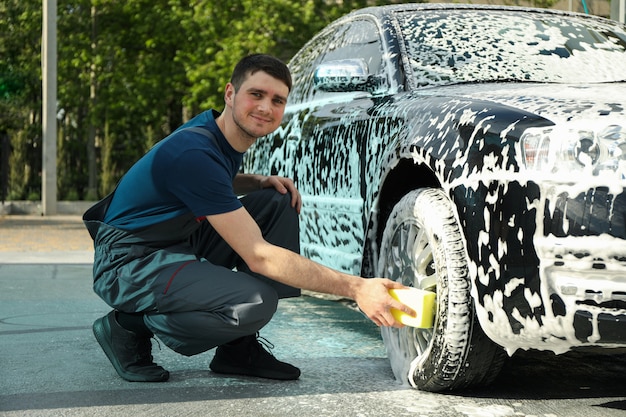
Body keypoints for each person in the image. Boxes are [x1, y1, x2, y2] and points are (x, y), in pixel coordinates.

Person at [83, 54, 413, 383]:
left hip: (175, 239)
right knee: (254, 302)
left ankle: (238, 350)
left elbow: (207, 181)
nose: (266, 107)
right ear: (230, 94)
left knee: (275, 202)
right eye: (256, 94)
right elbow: (258, 255)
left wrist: (255, 182)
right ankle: (127, 325)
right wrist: (357, 287)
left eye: (277, 100)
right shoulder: (194, 152)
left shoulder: (216, 135)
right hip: (130, 261)